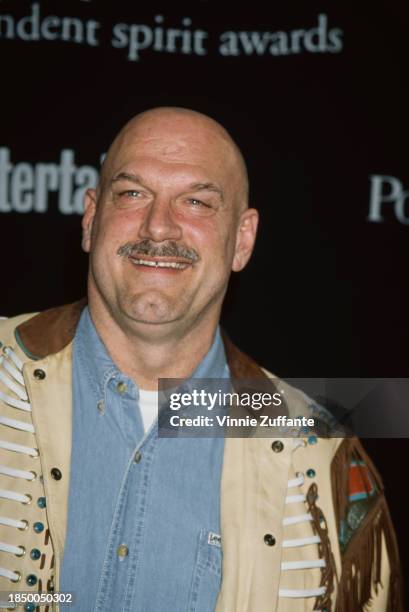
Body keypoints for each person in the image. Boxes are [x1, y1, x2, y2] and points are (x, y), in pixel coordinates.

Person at [0, 107, 402, 611]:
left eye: (196, 201)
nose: (160, 226)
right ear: (90, 218)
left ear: (242, 239)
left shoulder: (322, 458)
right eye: (132, 194)